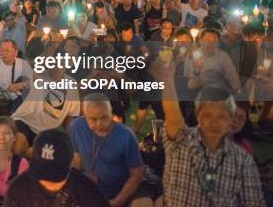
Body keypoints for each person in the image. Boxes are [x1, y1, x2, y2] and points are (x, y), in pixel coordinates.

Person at [154, 57, 265, 206]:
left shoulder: (242, 161)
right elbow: (172, 113)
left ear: (229, 119)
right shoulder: (181, 140)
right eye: (207, 115)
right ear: (198, 115)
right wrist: (167, 80)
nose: (214, 122)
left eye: (221, 116)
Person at [70, 94, 148, 206]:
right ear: (84, 115)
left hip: (119, 194)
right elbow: (76, 158)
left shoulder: (126, 135)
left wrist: (117, 202)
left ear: (111, 112)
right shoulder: (76, 127)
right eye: (93, 119)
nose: (99, 123)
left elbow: (137, 173)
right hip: (88, 192)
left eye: (104, 117)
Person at [4, 129, 109, 206]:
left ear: (72, 162)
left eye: (55, 176)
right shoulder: (18, 190)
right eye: (42, 174)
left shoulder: (88, 192)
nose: (49, 182)